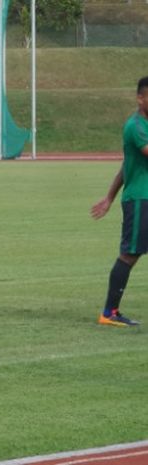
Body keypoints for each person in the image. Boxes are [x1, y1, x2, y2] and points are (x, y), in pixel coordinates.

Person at [90, 76, 148, 327]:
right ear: (140, 98)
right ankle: (109, 312)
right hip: (140, 200)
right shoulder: (135, 126)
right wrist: (113, 198)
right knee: (129, 254)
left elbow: (127, 166)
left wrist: (109, 197)